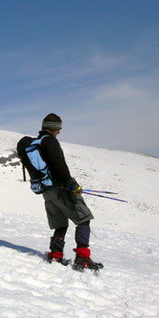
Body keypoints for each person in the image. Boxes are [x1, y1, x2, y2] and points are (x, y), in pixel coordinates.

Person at [37, 113, 103, 270]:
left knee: (60, 221)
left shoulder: (37, 143)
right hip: (60, 187)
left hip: (47, 189)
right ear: (53, 128)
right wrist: (71, 183)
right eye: (58, 129)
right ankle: (82, 257)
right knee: (83, 217)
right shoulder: (51, 142)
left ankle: (56, 254)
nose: (59, 132)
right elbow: (58, 165)